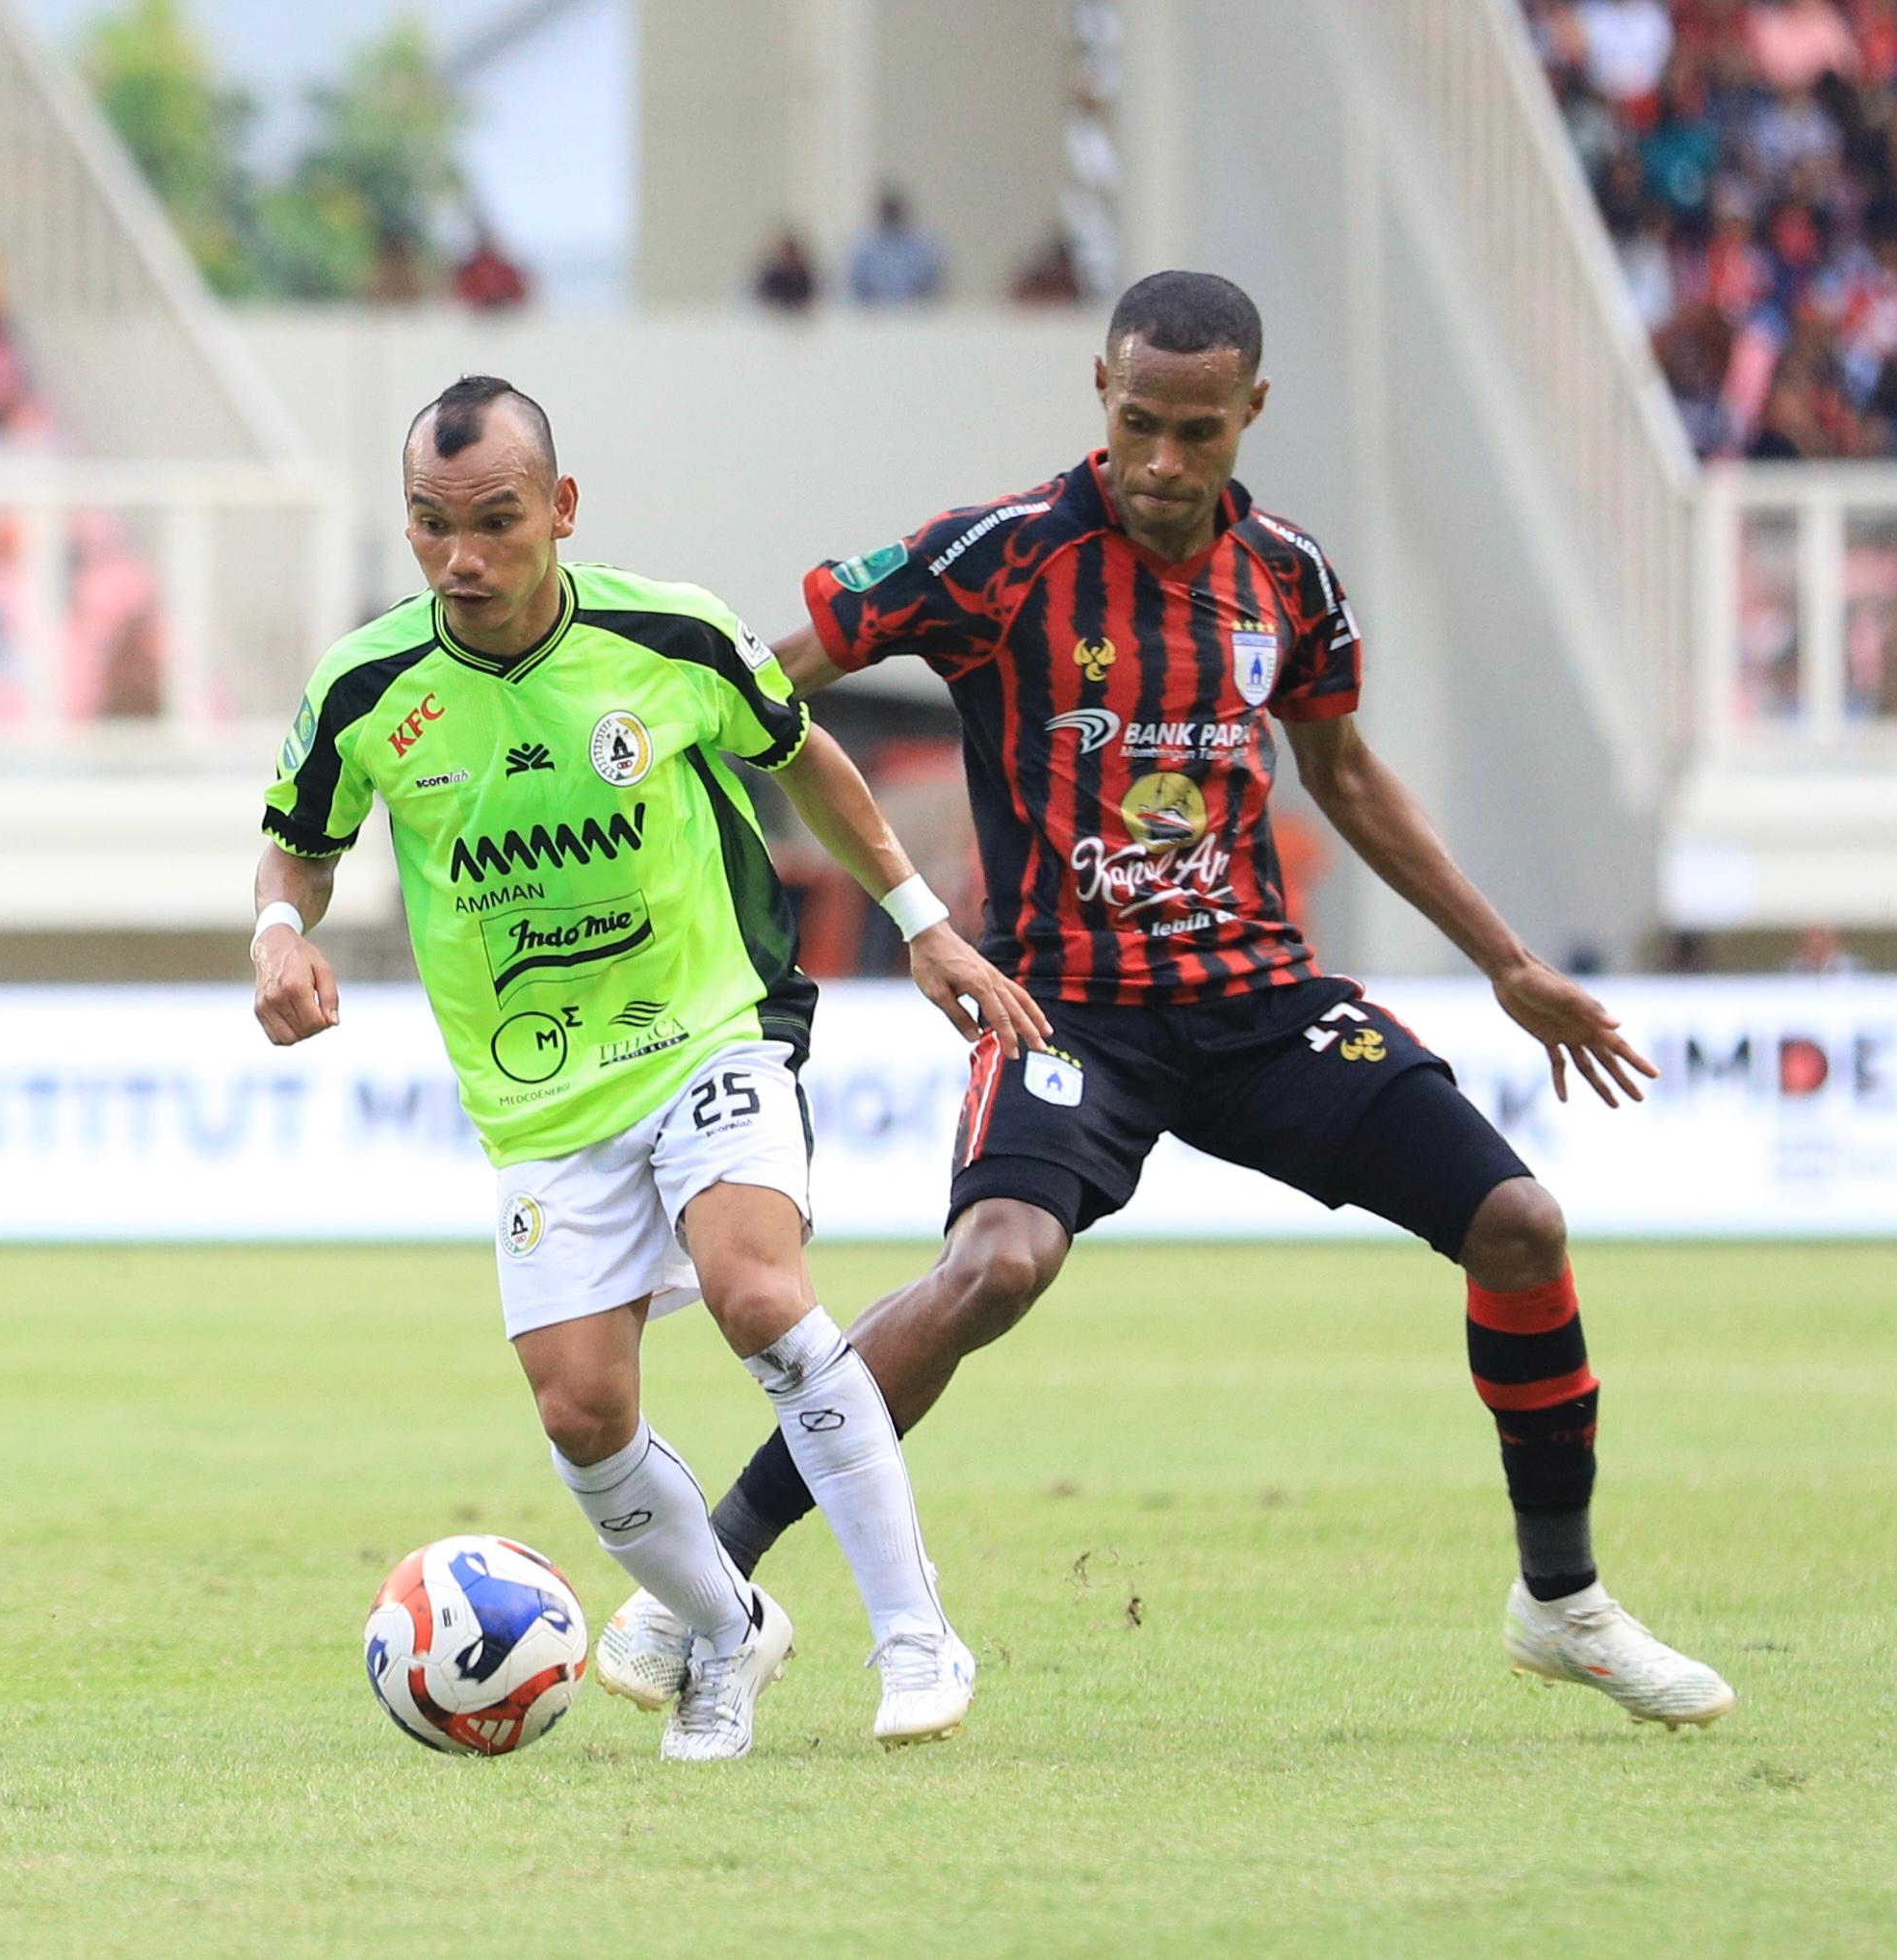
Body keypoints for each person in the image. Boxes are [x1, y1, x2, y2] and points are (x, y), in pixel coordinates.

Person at [590, 274, 1737, 1731]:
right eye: (1138, 422)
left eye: (1198, 432)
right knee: (994, 1265)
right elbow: (766, 680)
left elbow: (1349, 774)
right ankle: (707, 1578)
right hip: (1069, 1009)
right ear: (1101, 391)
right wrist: (656, 788)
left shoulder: (1292, 577)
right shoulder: (999, 556)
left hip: (1261, 1003)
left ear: (1250, 412)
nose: (1162, 462)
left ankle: (1562, 1601)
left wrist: (1507, 959)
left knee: (1520, 1224)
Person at [249, 376, 1050, 1761]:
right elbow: (301, 845)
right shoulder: (366, 687)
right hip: (539, 1102)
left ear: (559, 508)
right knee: (581, 1409)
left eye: (496, 521)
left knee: (758, 1293)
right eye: (432, 527)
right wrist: (275, 930)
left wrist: (924, 924)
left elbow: (809, 764)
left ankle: (915, 1630)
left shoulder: (669, 635)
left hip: (713, 1024)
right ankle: (727, 1629)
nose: (463, 558)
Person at [847, 188, 944, 306]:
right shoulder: (866, 248)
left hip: (917, 312)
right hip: (875, 316)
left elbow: (932, 284)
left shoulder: (920, 247)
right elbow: (857, 287)